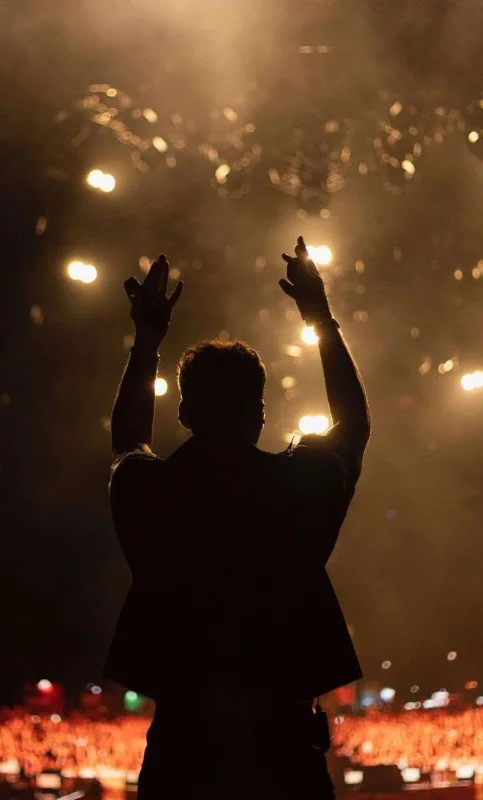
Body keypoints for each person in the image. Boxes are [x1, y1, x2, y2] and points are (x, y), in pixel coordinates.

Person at [105, 236, 371, 798]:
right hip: (286, 750)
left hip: (183, 749)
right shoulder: (298, 487)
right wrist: (320, 317)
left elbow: (127, 443)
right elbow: (354, 426)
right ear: (260, 413)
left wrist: (147, 343)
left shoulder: (153, 494)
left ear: (183, 411)